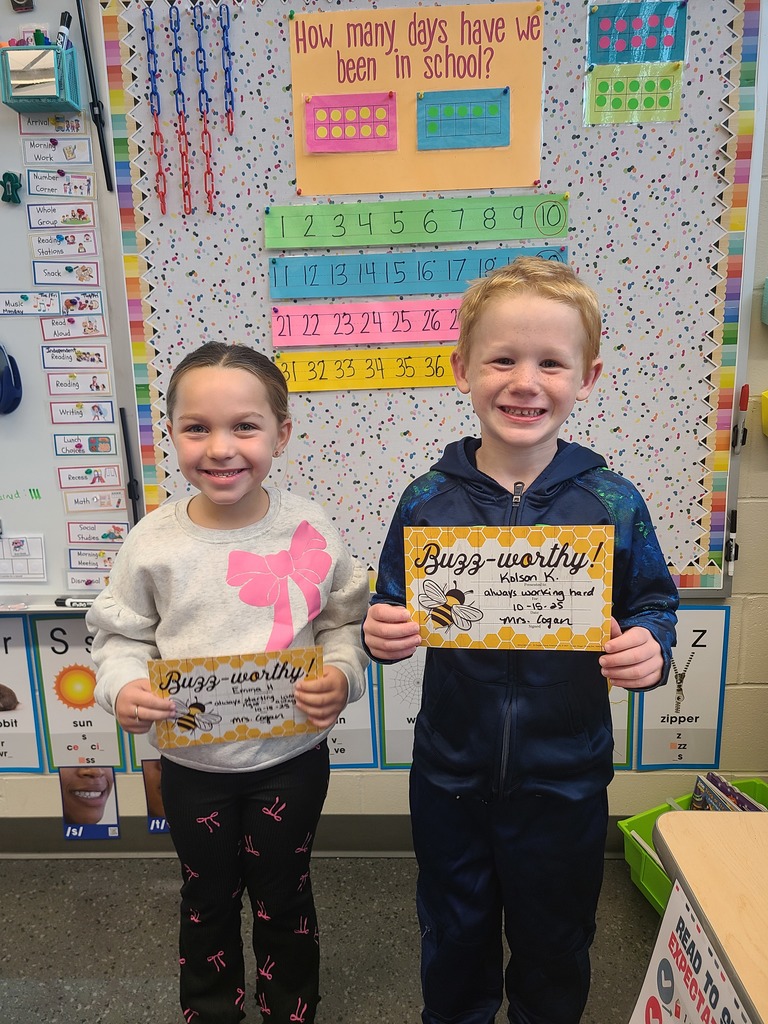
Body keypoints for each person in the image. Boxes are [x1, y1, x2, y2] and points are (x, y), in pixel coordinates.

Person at [363, 257, 678, 1024]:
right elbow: (389, 603)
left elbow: (653, 602)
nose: (524, 382)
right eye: (502, 359)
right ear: (462, 370)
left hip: (564, 778)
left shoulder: (612, 501)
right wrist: (381, 631)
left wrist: (649, 643)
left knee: (556, 941)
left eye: (551, 363)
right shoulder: (427, 499)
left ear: (587, 377)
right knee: (453, 934)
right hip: (450, 774)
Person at [87, 342, 369, 1024]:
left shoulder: (310, 527)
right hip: (192, 766)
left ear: (281, 432)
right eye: (197, 428)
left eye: (244, 426)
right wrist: (123, 687)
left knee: (285, 895)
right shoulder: (152, 543)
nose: (220, 448)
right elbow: (120, 637)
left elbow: (342, 622)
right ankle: (211, 1011)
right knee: (206, 898)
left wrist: (342, 673)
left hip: (292, 760)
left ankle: (290, 1009)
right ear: (171, 434)